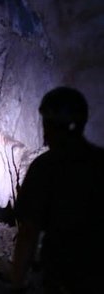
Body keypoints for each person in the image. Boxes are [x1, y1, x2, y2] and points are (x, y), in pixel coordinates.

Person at [11, 87, 104, 293]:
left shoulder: (45, 168)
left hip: (62, 274)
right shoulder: (99, 161)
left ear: (48, 125)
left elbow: (28, 233)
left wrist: (17, 284)